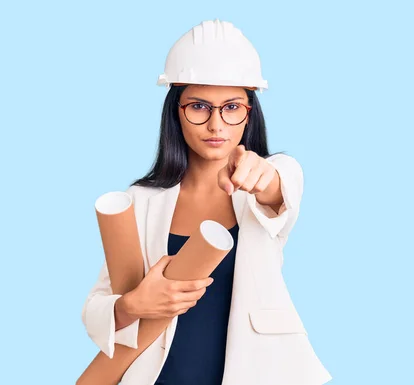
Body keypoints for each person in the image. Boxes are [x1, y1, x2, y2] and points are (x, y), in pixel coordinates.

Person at [81, 19, 333, 385]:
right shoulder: (140, 200)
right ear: (176, 111)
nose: (216, 124)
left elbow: (280, 189)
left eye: (231, 107)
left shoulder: (269, 177)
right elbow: (97, 306)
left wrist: (263, 178)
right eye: (199, 106)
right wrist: (133, 305)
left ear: (249, 113)